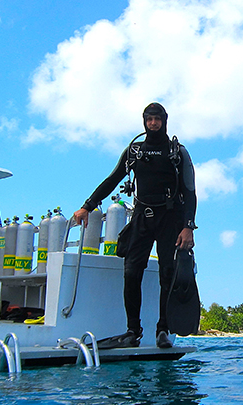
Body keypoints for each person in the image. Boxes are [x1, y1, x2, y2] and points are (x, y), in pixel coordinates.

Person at [74, 102, 197, 349]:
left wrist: (188, 227)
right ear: (144, 121)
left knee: (167, 274)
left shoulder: (177, 152)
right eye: (149, 119)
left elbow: (190, 191)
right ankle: (132, 331)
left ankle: (163, 329)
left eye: (157, 119)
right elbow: (112, 179)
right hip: (141, 217)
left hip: (170, 218)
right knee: (131, 272)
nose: (153, 124)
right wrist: (88, 206)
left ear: (165, 120)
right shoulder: (135, 151)